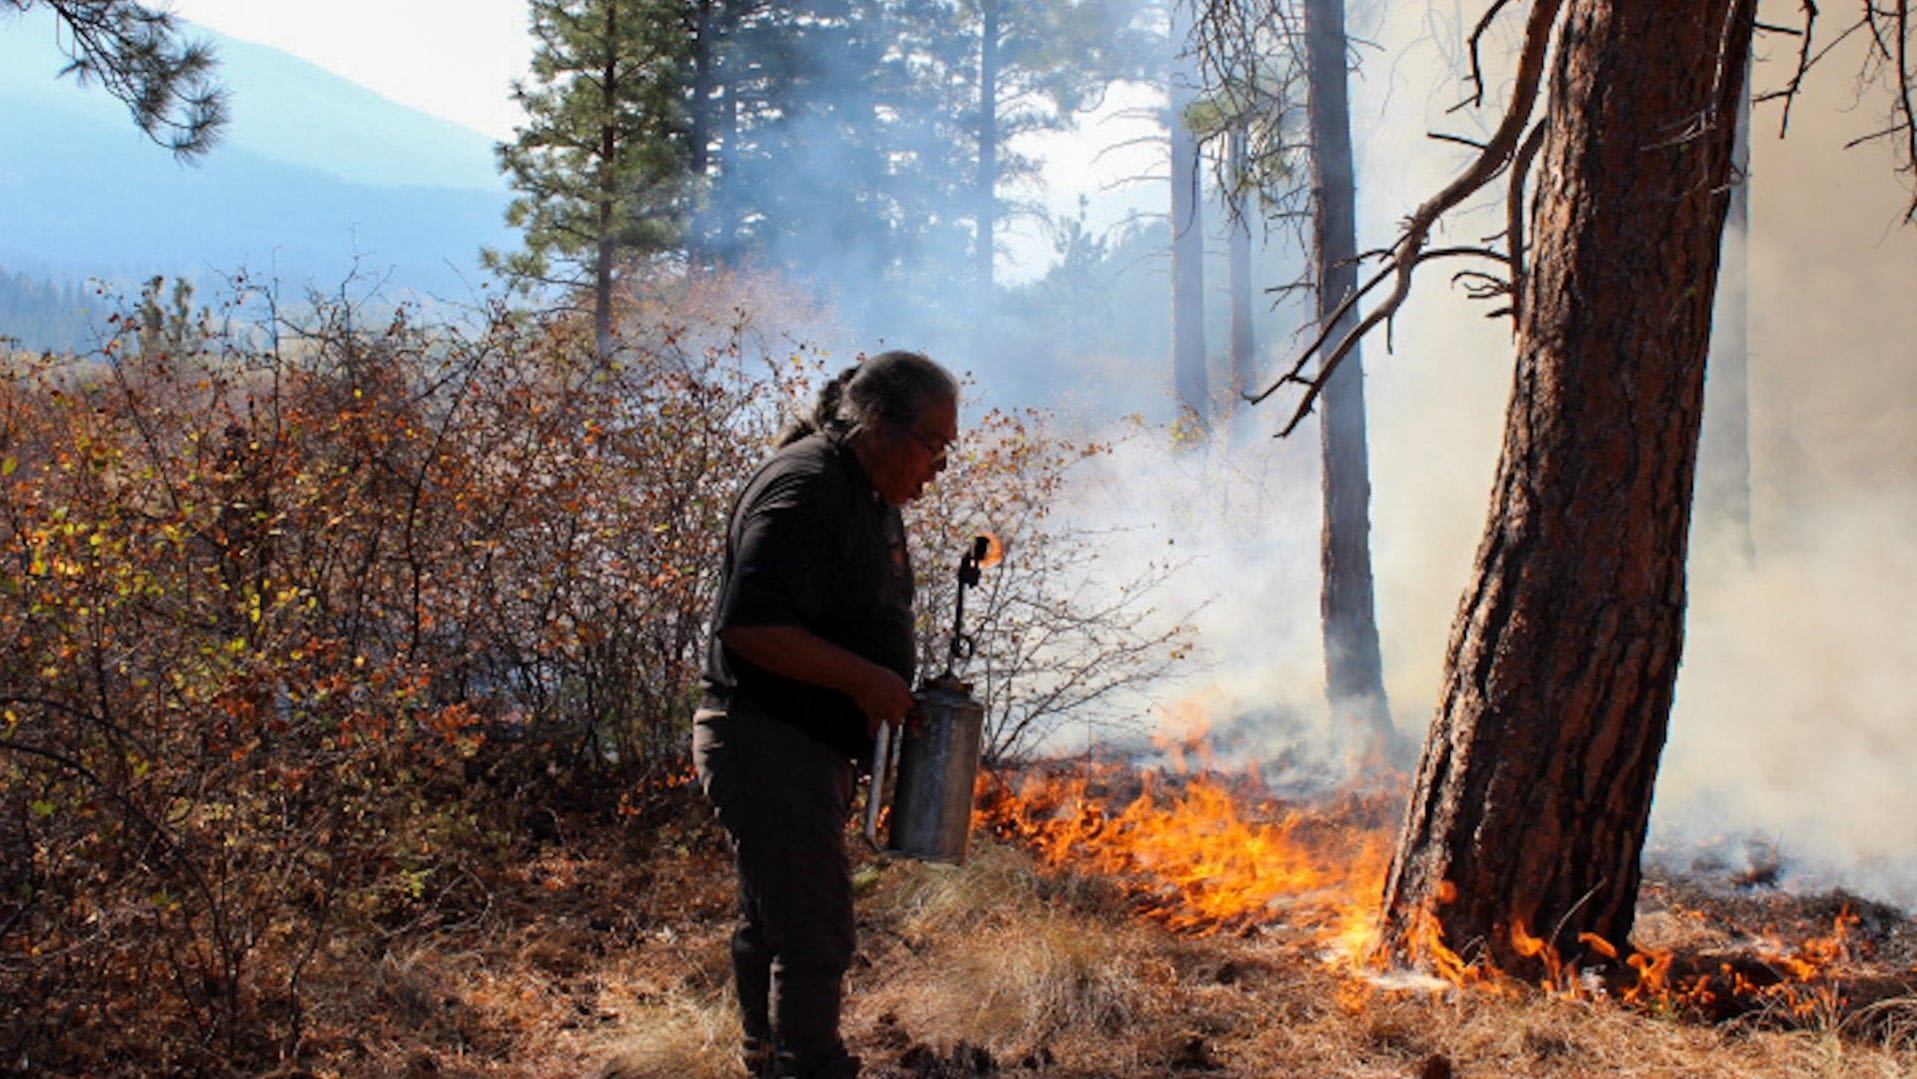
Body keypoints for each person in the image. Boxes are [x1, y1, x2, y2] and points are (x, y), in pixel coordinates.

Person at [692, 350, 960, 1079]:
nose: (938, 466)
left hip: (797, 744)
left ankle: (767, 1057)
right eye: (933, 444)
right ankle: (810, 1064)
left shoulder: (862, 493)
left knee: (773, 915)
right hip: (766, 738)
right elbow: (751, 627)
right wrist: (867, 678)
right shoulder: (809, 486)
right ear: (877, 423)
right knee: (814, 931)